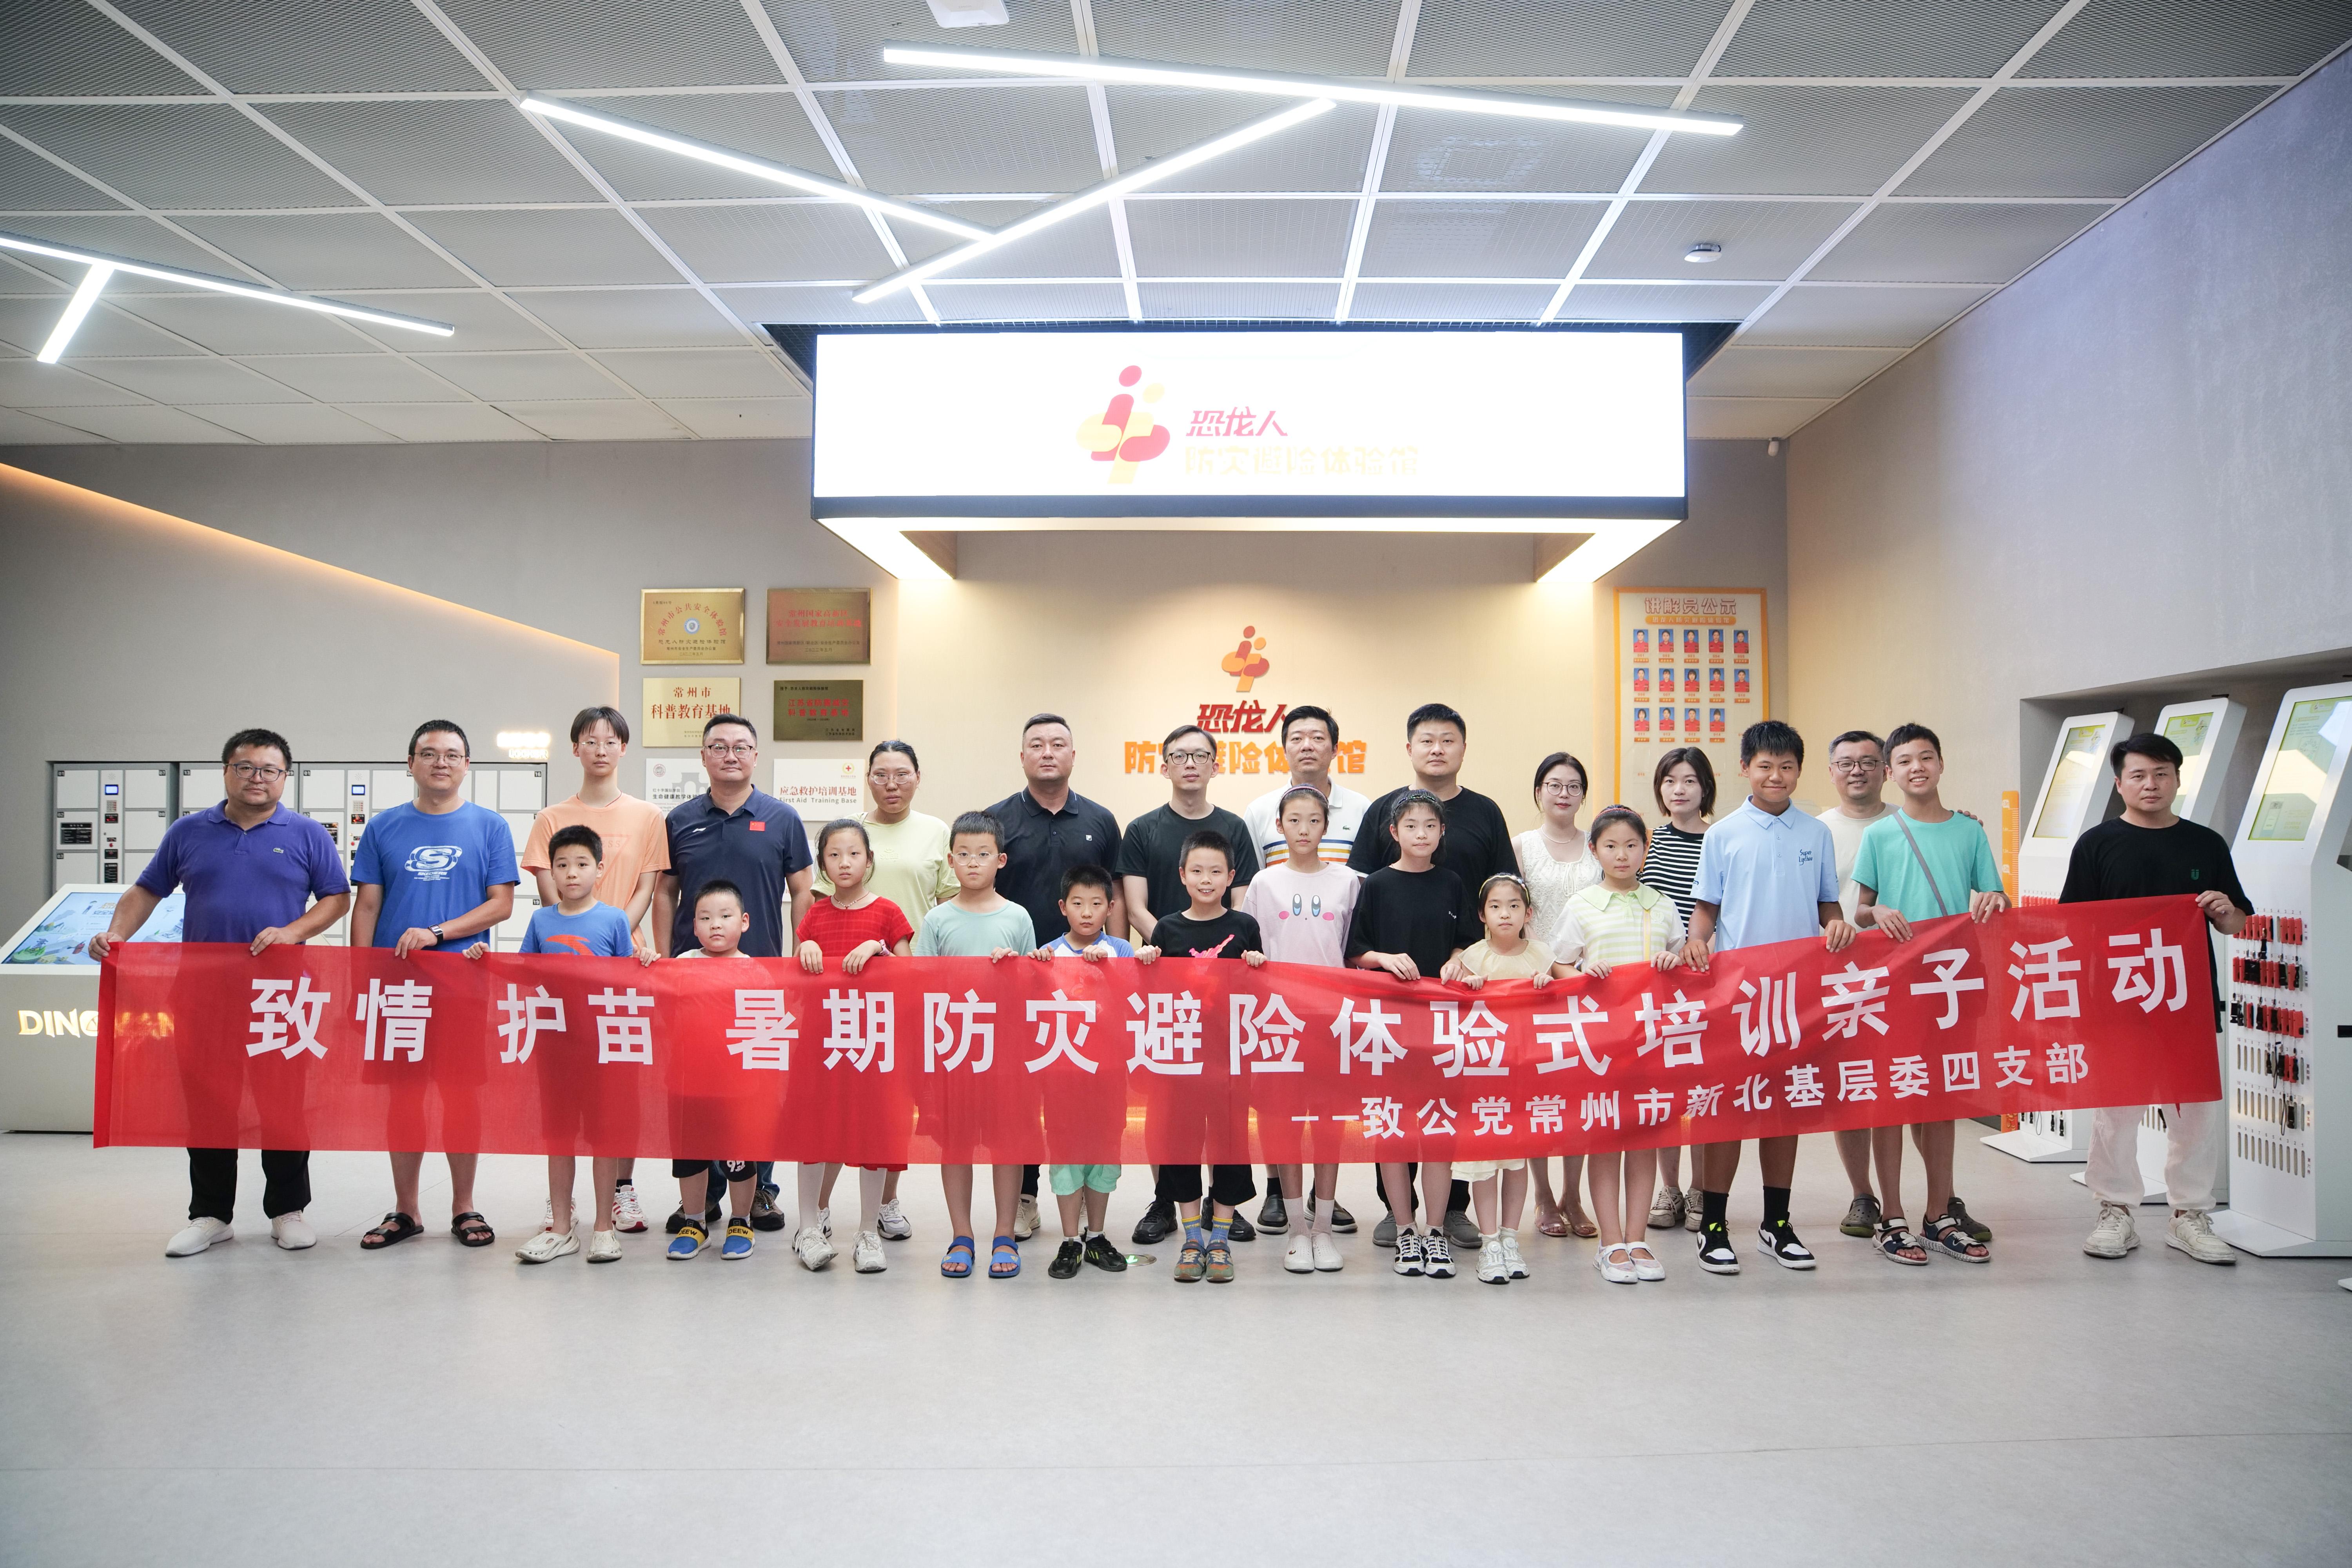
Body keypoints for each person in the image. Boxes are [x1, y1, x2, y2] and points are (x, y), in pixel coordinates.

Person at [93, 728, 351, 1259]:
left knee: (283, 1103)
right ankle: (210, 1215)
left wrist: (294, 932)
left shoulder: (306, 834)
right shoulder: (188, 832)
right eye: (246, 767)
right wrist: (117, 934)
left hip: (281, 996)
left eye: (270, 770)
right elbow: (146, 890)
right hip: (204, 994)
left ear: (285, 777)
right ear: (227, 771)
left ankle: (288, 1210)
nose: (258, 778)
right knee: (209, 1101)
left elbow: (336, 898)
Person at [2063, 733, 2250, 1266]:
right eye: (2139, 775)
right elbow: (2073, 924)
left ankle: (2189, 1214)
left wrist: (2223, 911)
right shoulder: (2097, 844)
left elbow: (2237, 922)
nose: (2151, 784)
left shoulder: (2205, 843)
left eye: (2162, 773)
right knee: (2117, 1111)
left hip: (2188, 1002)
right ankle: (2116, 1209)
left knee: (2195, 1111)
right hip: (2118, 1002)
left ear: (2177, 780)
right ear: (2119, 783)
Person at [1681, 719, 1852, 1276]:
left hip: (1798, 996)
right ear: (1745, 769)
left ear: (1799, 771)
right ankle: (1713, 1226)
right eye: (1765, 766)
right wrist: (1696, 943)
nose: (1776, 776)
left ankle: (1777, 1224)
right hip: (1736, 995)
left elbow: (1828, 904)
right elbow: (1706, 907)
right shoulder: (1723, 834)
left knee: (1785, 1109)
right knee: (1728, 1110)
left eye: (1786, 767)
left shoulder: (1816, 833)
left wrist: (1837, 924)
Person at [349, 720, 518, 1253]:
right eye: (428, 754)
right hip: (397, 987)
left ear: (467, 765)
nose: (440, 762)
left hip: (462, 983)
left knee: (461, 1094)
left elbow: (501, 904)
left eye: (451, 754)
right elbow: (367, 906)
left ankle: (464, 1205)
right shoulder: (383, 827)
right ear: (410, 764)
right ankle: (407, 1209)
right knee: (403, 1097)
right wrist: (360, 977)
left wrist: (438, 933)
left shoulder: (490, 826)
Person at [1351, 704, 1514, 1249]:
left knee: (1451, 1104)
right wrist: (1380, 958)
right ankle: (1398, 1213)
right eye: (1427, 739)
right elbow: (1360, 910)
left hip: (1458, 995)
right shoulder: (1382, 814)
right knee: (1392, 1107)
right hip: (1391, 1004)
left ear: (1463, 748)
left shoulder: (1485, 814)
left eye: (1448, 739)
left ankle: (1452, 1212)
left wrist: (1465, 956)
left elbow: (1501, 892)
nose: (1437, 748)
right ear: (1410, 748)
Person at [1851, 724, 2006, 1265]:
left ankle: (1939, 1215)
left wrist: (1993, 900)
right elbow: (1860, 909)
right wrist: (1878, 912)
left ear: (1941, 764)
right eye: (1905, 760)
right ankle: (1891, 1217)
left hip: (1954, 981)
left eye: (1926, 757)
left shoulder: (1970, 831)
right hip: (1895, 983)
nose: (1916, 767)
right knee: (1893, 1095)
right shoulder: (1881, 835)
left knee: (1943, 1097)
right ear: (1889, 772)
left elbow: (1996, 895)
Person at [655, 712, 814, 1236]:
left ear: (755, 756)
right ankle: (702, 1198)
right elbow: (665, 892)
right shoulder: (679, 819)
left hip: (760, 980)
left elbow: (802, 891)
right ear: (703, 756)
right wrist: (666, 960)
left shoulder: (782, 818)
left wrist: (798, 957)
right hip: (694, 982)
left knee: (756, 1087)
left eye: (741, 747)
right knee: (697, 1085)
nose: (731, 755)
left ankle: (761, 1190)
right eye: (719, 746)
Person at [521, 705, 668, 1237]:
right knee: (563, 1093)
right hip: (564, 977)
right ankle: (560, 1203)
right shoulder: (550, 818)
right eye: (590, 740)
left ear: (624, 749)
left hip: (625, 967)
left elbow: (648, 888)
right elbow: (549, 892)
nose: (600, 749)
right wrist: (583, 935)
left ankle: (622, 1189)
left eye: (610, 741)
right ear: (575, 748)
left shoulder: (648, 817)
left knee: (619, 1089)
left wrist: (612, 935)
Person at [465, 823, 642, 1264]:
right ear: (551, 873)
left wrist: (646, 960)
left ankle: (604, 1228)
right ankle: (562, 1228)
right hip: (555, 1048)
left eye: (581, 864)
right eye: (562, 865)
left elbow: (629, 982)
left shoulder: (615, 920)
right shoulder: (542, 920)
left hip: (603, 1048)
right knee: (559, 1137)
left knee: (603, 1138)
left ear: (599, 869)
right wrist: (487, 961)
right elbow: (527, 971)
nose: (572, 873)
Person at [1116, 723, 1260, 1245]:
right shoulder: (1143, 829)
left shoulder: (1234, 828)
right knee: (1168, 1112)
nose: (1191, 764)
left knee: (1226, 1113)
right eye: (1180, 756)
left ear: (1216, 765)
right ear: (1164, 766)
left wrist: (1212, 951)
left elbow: (1240, 907)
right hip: (1170, 996)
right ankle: (1166, 1202)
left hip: (1224, 1007)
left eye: (1201, 755)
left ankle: (1226, 1208)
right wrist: (1180, 952)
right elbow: (1135, 905)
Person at [811, 740, 957, 1244]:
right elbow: (818, 913)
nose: (891, 783)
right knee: (836, 1103)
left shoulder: (937, 831)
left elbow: (947, 908)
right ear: (868, 777)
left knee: (894, 1104)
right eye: (881, 774)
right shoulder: (848, 830)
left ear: (918, 776)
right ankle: (820, 1207)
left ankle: (885, 1202)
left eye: (902, 773)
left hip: (907, 988)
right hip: (844, 997)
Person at [987, 713, 1122, 1242]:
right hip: (1022, 983)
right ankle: (1026, 1198)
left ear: (1073, 755)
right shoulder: (998, 819)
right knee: (1023, 1095)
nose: (1048, 752)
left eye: (1058, 744)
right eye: (1037, 744)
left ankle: (1085, 1197)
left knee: (1083, 1094)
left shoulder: (1101, 820)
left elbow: (1113, 899)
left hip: (1087, 991)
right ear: (1022, 756)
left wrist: (1117, 967)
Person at [1238, 704, 1369, 1237]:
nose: (1304, 828)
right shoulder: (1263, 881)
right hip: (1278, 1017)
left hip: (1332, 1017)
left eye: (1315, 820)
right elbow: (1250, 941)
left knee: (1331, 1116)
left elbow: (1355, 947)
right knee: (1281, 1115)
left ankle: (1325, 1213)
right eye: (1294, 820)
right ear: (1278, 825)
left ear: (1328, 825)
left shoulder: (1349, 880)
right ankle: (1293, 1220)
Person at [1555, 806, 1687, 1285]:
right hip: (1603, 1045)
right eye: (1611, 846)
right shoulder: (1582, 904)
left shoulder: (1662, 903)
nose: (1622, 854)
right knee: (1607, 1141)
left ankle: (1638, 1238)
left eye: (1632, 845)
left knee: (1645, 1140)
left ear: (1645, 848)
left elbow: (1685, 961)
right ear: (1595, 851)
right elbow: (1559, 965)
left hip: (1653, 1041)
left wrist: (1675, 959)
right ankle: (1610, 1243)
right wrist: (1580, 972)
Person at [1348, 789, 1474, 1278]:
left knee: (1439, 1128)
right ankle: (1405, 1228)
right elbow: (1356, 951)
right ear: (1394, 832)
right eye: (1411, 825)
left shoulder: (1452, 882)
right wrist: (1383, 959)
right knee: (1393, 1130)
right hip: (1388, 1026)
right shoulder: (1377, 884)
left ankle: (1435, 1231)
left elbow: (1466, 940)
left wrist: (1459, 958)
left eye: (1430, 825)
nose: (1421, 833)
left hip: (1442, 1025)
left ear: (1442, 833)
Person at [1140, 830, 1267, 1284]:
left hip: (1230, 1060)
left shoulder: (1245, 926)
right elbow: (1153, 995)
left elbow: (1259, 995)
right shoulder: (1167, 929)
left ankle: (1220, 1240)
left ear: (1231, 876)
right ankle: (1192, 1238)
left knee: (1229, 1147)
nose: (1207, 879)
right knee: (1181, 1146)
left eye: (1216, 871)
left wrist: (1258, 967)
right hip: (1183, 1060)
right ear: (1182, 875)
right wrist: (1147, 962)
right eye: (1197, 871)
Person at [914, 811, 1037, 1280]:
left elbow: (1034, 987)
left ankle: (1004, 1233)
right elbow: (922, 986)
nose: (972, 862)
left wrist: (1014, 968)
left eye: (983, 854)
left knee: (1008, 1142)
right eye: (963, 854)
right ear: (950, 861)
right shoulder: (937, 919)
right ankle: (961, 1234)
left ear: (1001, 860)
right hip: (955, 1049)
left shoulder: (1018, 916)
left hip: (1006, 1052)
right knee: (956, 1143)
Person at [793, 818, 916, 1275]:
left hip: (872, 1043)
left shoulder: (888, 912)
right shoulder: (814, 914)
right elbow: (796, 975)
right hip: (822, 1043)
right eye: (834, 855)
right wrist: (804, 949)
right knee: (814, 1132)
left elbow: (909, 975)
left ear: (869, 859)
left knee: (872, 1132)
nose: (844, 863)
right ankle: (809, 1229)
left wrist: (879, 949)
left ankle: (867, 1232)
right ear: (822, 863)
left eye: (854, 854)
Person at [1440, 873, 1572, 1284]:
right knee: (1485, 1161)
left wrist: (1550, 984)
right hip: (1484, 1077)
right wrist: (1467, 987)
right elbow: (1449, 997)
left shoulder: (1541, 954)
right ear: (1482, 915)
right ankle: (1490, 1242)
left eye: (1514, 906)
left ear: (1528, 913)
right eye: (1495, 906)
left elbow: (1574, 982)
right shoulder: (1473, 956)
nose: (1505, 914)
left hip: (1525, 1076)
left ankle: (1511, 1238)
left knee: (1518, 1159)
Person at [1029, 864, 1140, 1280]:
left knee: (1105, 1150)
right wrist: (1032, 966)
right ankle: (1070, 1240)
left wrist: (1111, 969)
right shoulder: (1048, 953)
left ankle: (1097, 1235)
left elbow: (1135, 1001)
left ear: (1111, 908)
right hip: (1062, 1074)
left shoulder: (1121, 950)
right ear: (1063, 907)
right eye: (1078, 903)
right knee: (1065, 1151)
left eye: (1097, 904)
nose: (1088, 912)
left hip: (1109, 1073)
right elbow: (1031, 1005)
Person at [1513, 751, 1604, 1241]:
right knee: (1537, 1096)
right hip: (1534, 983)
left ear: (1583, 795)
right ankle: (1544, 1195)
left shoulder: (1598, 846)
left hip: (1589, 984)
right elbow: (1510, 911)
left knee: (1581, 1094)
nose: (1563, 793)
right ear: (1538, 792)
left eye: (1573, 786)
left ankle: (1573, 1194)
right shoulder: (1521, 845)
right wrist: (1540, 964)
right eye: (1554, 784)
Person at [1817, 730, 1895, 1240]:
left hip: (1904, 974)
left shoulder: (1907, 823)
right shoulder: (1817, 830)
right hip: (1838, 977)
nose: (1857, 771)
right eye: (1846, 763)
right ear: (1831, 772)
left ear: (1886, 770)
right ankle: (1863, 1194)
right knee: (1853, 1087)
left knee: (1906, 1084)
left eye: (1868, 761)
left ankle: (1933, 1197)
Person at [664, 881, 761, 1261]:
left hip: (738, 1086)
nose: (715, 925)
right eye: (705, 918)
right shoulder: (682, 965)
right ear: (694, 925)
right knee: (690, 1155)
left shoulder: (756, 971)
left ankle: (741, 1221)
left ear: (744, 921)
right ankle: (695, 1223)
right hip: (688, 1082)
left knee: (739, 1156)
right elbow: (660, 1006)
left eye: (725, 916)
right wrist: (647, 963)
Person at [1641, 746, 1713, 1232]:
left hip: (1708, 979)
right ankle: (1669, 1189)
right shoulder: (1647, 840)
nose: (1679, 790)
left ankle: (1701, 1188)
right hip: (1656, 982)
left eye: (1689, 780)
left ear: (1705, 787)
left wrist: (1700, 947)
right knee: (1662, 1092)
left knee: (1703, 1091)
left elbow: (1726, 906)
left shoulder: (1720, 839)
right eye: (1670, 781)